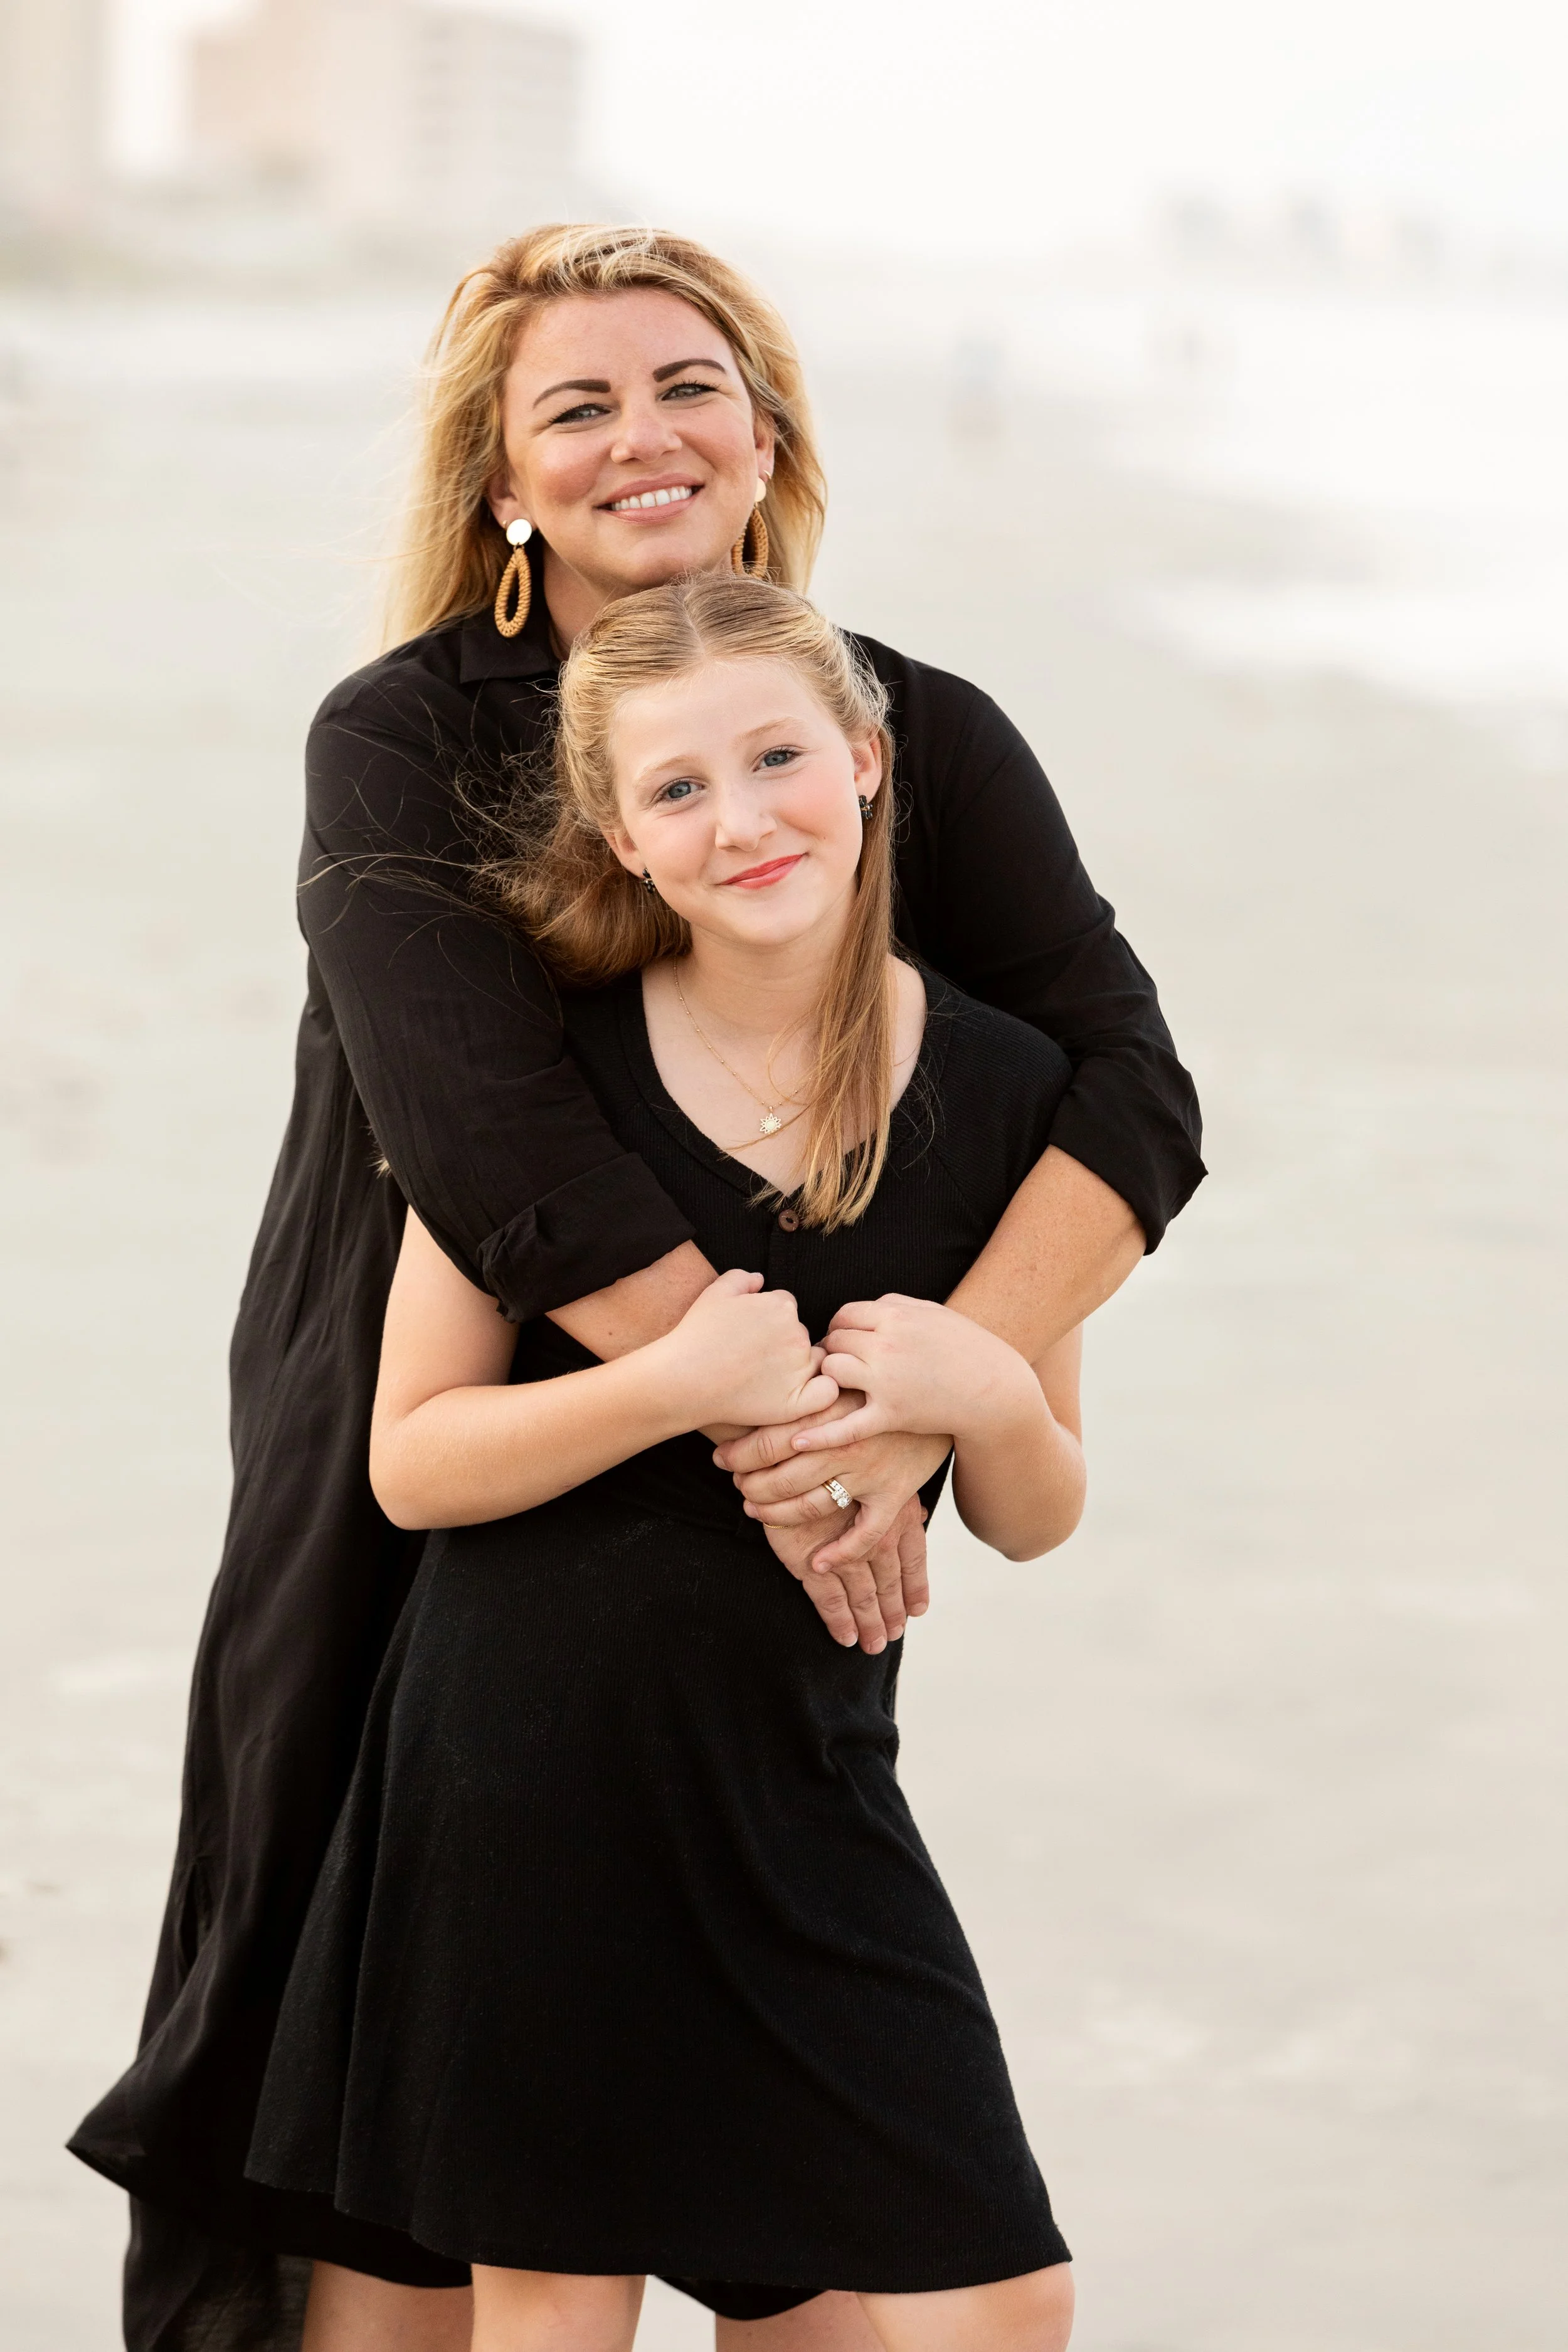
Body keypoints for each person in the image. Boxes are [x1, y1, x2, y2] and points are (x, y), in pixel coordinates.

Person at [70, 223, 1203, 2352]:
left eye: (686, 384)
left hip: (803, 1427)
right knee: (372, 2067)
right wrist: (752, 1404)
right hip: (434, 1362)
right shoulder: (403, 733)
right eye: (570, 407)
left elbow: (1127, 1091)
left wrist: (933, 1399)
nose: (640, 438)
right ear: (498, 480)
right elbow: (488, 1135)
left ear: (766, 430)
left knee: (731, 2077)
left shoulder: (899, 726)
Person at [248, 575, 1084, 2352]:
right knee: (560, 2308)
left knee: (998, 2292)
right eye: (678, 789)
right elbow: (415, 1460)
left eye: (778, 755)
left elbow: (1034, 1507)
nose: (742, 815)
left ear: (866, 763)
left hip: (805, 1783)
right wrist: (675, 1381)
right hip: (521, 1778)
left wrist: (981, 1389)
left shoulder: (1014, 1095)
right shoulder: (546, 1082)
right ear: (621, 837)